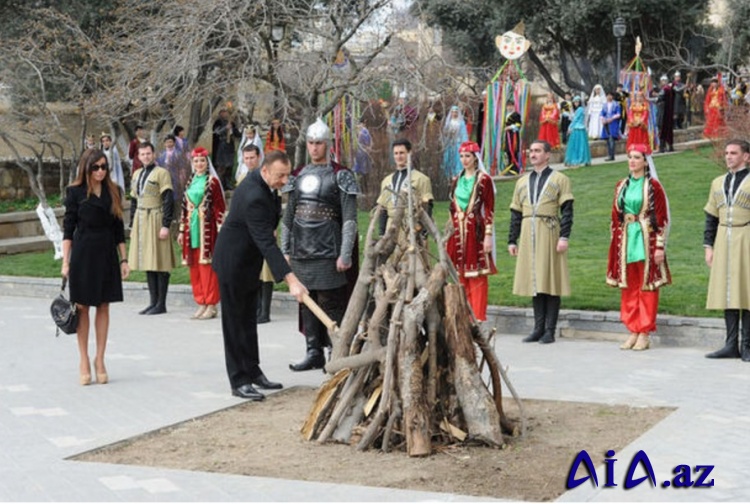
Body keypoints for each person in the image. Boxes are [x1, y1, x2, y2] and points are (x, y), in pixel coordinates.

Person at [212, 150, 308, 400]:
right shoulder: (253, 194)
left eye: (287, 175)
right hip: (233, 263)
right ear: (265, 171)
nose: (284, 181)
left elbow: (267, 230)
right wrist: (291, 280)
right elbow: (266, 241)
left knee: (248, 321)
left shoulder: (264, 183)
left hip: (248, 262)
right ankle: (238, 380)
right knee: (234, 323)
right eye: (280, 176)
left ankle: (253, 372)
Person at [281, 118, 358, 371]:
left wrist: (345, 254)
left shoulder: (341, 175)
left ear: (327, 144)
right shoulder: (298, 175)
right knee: (306, 300)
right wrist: (285, 250)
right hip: (302, 249)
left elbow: (349, 220)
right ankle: (313, 351)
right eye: (311, 143)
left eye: (319, 143)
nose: (314, 148)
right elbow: (289, 217)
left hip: (329, 250)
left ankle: (336, 352)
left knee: (330, 301)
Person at [61, 149, 129, 385]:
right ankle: (83, 359)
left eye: (104, 167)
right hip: (83, 254)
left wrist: (124, 259)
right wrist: (65, 261)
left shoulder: (114, 191)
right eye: (96, 167)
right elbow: (68, 229)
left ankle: (100, 359)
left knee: (103, 306)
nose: (100, 171)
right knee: (82, 308)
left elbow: (119, 229)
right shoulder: (74, 192)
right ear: (86, 168)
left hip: (106, 254)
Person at [606, 144, 671, 351]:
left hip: (645, 239)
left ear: (645, 162)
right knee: (629, 285)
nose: (632, 161)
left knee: (646, 285)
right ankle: (632, 329)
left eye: (636, 157)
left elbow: (662, 218)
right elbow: (614, 215)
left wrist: (659, 246)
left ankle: (644, 331)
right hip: (626, 239)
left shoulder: (653, 187)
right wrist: (615, 238)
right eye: (630, 157)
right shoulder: (621, 185)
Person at [509, 140, 574, 344]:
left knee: (550, 279)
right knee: (535, 279)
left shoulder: (560, 179)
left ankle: (550, 330)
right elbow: (515, 212)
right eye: (531, 151)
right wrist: (512, 239)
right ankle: (537, 328)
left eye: (537, 151)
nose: (533, 154)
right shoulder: (521, 181)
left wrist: (564, 236)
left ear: (547, 155)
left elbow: (567, 210)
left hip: (549, 230)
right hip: (529, 231)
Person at [703, 139, 750, 361]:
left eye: (734, 153)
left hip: (746, 238)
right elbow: (711, 218)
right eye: (727, 153)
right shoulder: (717, 182)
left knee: (746, 292)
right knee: (728, 292)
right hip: (724, 239)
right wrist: (708, 246)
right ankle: (730, 344)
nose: (728, 156)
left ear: (746, 156)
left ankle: (747, 345)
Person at [446, 141, 497, 321]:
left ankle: (478, 315)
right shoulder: (456, 179)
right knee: (459, 273)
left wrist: (488, 235)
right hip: (457, 231)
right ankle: (464, 315)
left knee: (476, 274)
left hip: (475, 230)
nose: (464, 160)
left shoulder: (484, 180)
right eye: (461, 156)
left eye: (468, 156)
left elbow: (490, 208)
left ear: (475, 158)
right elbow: (452, 207)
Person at [127, 142, 176, 315]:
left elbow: (169, 200)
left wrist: (165, 225)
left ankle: (161, 303)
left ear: (153, 154)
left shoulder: (162, 173)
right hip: (141, 218)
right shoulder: (137, 174)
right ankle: (152, 301)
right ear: (138, 156)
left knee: (160, 260)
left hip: (156, 216)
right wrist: (132, 224)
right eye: (142, 154)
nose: (146, 156)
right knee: (148, 260)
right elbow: (133, 201)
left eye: (148, 153)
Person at [178, 147, 226, 320]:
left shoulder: (212, 182)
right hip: (192, 229)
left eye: (202, 161)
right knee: (195, 267)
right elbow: (184, 209)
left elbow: (220, 208)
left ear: (207, 163)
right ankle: (201, 301)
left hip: (207, 230)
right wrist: (182, 230)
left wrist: (221, 231)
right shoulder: (190, 182)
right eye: (196, 161)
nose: (199, 164)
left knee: (207, 268)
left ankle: (211, 304)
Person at [235, 143, 275, 324]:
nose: (250, 161)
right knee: (254, 270)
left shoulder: (267, 175)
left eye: (252, 157)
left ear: (259, 157)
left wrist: (273, 227)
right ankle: (256, 307)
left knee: (266, 272)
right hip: (249, 230)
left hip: (265, 228)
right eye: (247, 158)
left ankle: (265, 311)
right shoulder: (243, 177)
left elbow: (275, 205)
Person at [376, 138, 434, 236]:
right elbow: (383, 209)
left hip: (411, 228)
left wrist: (422, 231)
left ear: (409, 153)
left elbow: (427, 207)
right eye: (396, 153)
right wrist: (382, 233)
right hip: (390, 229)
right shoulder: (386, 181)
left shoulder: (422, 179)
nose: (399, 156)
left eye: (402, 153)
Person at [211, 109, 240, 189]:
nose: (225, 114)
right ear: (220, 113)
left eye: (226, 112)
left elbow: (237, 134)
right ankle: (219, 184)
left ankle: (227, 183)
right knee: (221, 166)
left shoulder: (231, 122)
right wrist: (225, 128)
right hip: (221, 146)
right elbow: (216, 132)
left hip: (230, 146)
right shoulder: (218, 122)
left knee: (229, 166)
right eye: (223, 112)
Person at [441, 105, 469, 178]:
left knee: (457, 158)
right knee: (449, 157)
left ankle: (457, 172)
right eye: (453, 112)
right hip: (450, 143)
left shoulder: (461, 123)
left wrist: (463, 143)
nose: (454, 114)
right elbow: (445, 133)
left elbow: (463, 134)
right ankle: (449, 172)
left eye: (456, 112)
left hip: (457, 143)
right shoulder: (448, 123)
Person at [564, 96, 591, 166]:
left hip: (579, 128)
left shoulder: (580, 109)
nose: (576, 103)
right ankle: (579, 158)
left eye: (577, 102)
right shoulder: (577, 110)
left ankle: (581, 159)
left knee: (580, 145)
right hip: (576, 129)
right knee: (576, 145)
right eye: (575, 102)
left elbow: (575, 119)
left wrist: (570, 127)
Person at [601, 91, 622, 161]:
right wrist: (603, 119)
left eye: (610, 95)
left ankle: (612, 155)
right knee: (607, 139)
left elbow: (618, 114)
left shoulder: (616, 104)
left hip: (613, 123)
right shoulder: (604, 105)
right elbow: (602, 113)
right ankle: (609, 154)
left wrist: (612, 118)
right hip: (606, 123)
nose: (609, 97)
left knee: (611, 138)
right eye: (607, 96)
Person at [503, 101, 523, 175]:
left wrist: (510, 127)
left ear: (514, 106)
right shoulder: (505, 115)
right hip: (507, 135)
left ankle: (515, 168)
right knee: (508, 151)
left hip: (513, 135)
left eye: (511, 106)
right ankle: (510, 168)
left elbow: (519, 125)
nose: (509, 107)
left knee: (513, 151)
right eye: (508, 106)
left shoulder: (516, 115)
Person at [657, 75, 675, 153]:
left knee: (662, 130)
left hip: (664, 112)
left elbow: (659, 99)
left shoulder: (665, 89)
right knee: (668, 130)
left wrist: (648, 99)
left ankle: (662, 148)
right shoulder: (670, 89)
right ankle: (669, 146)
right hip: (669, 112)